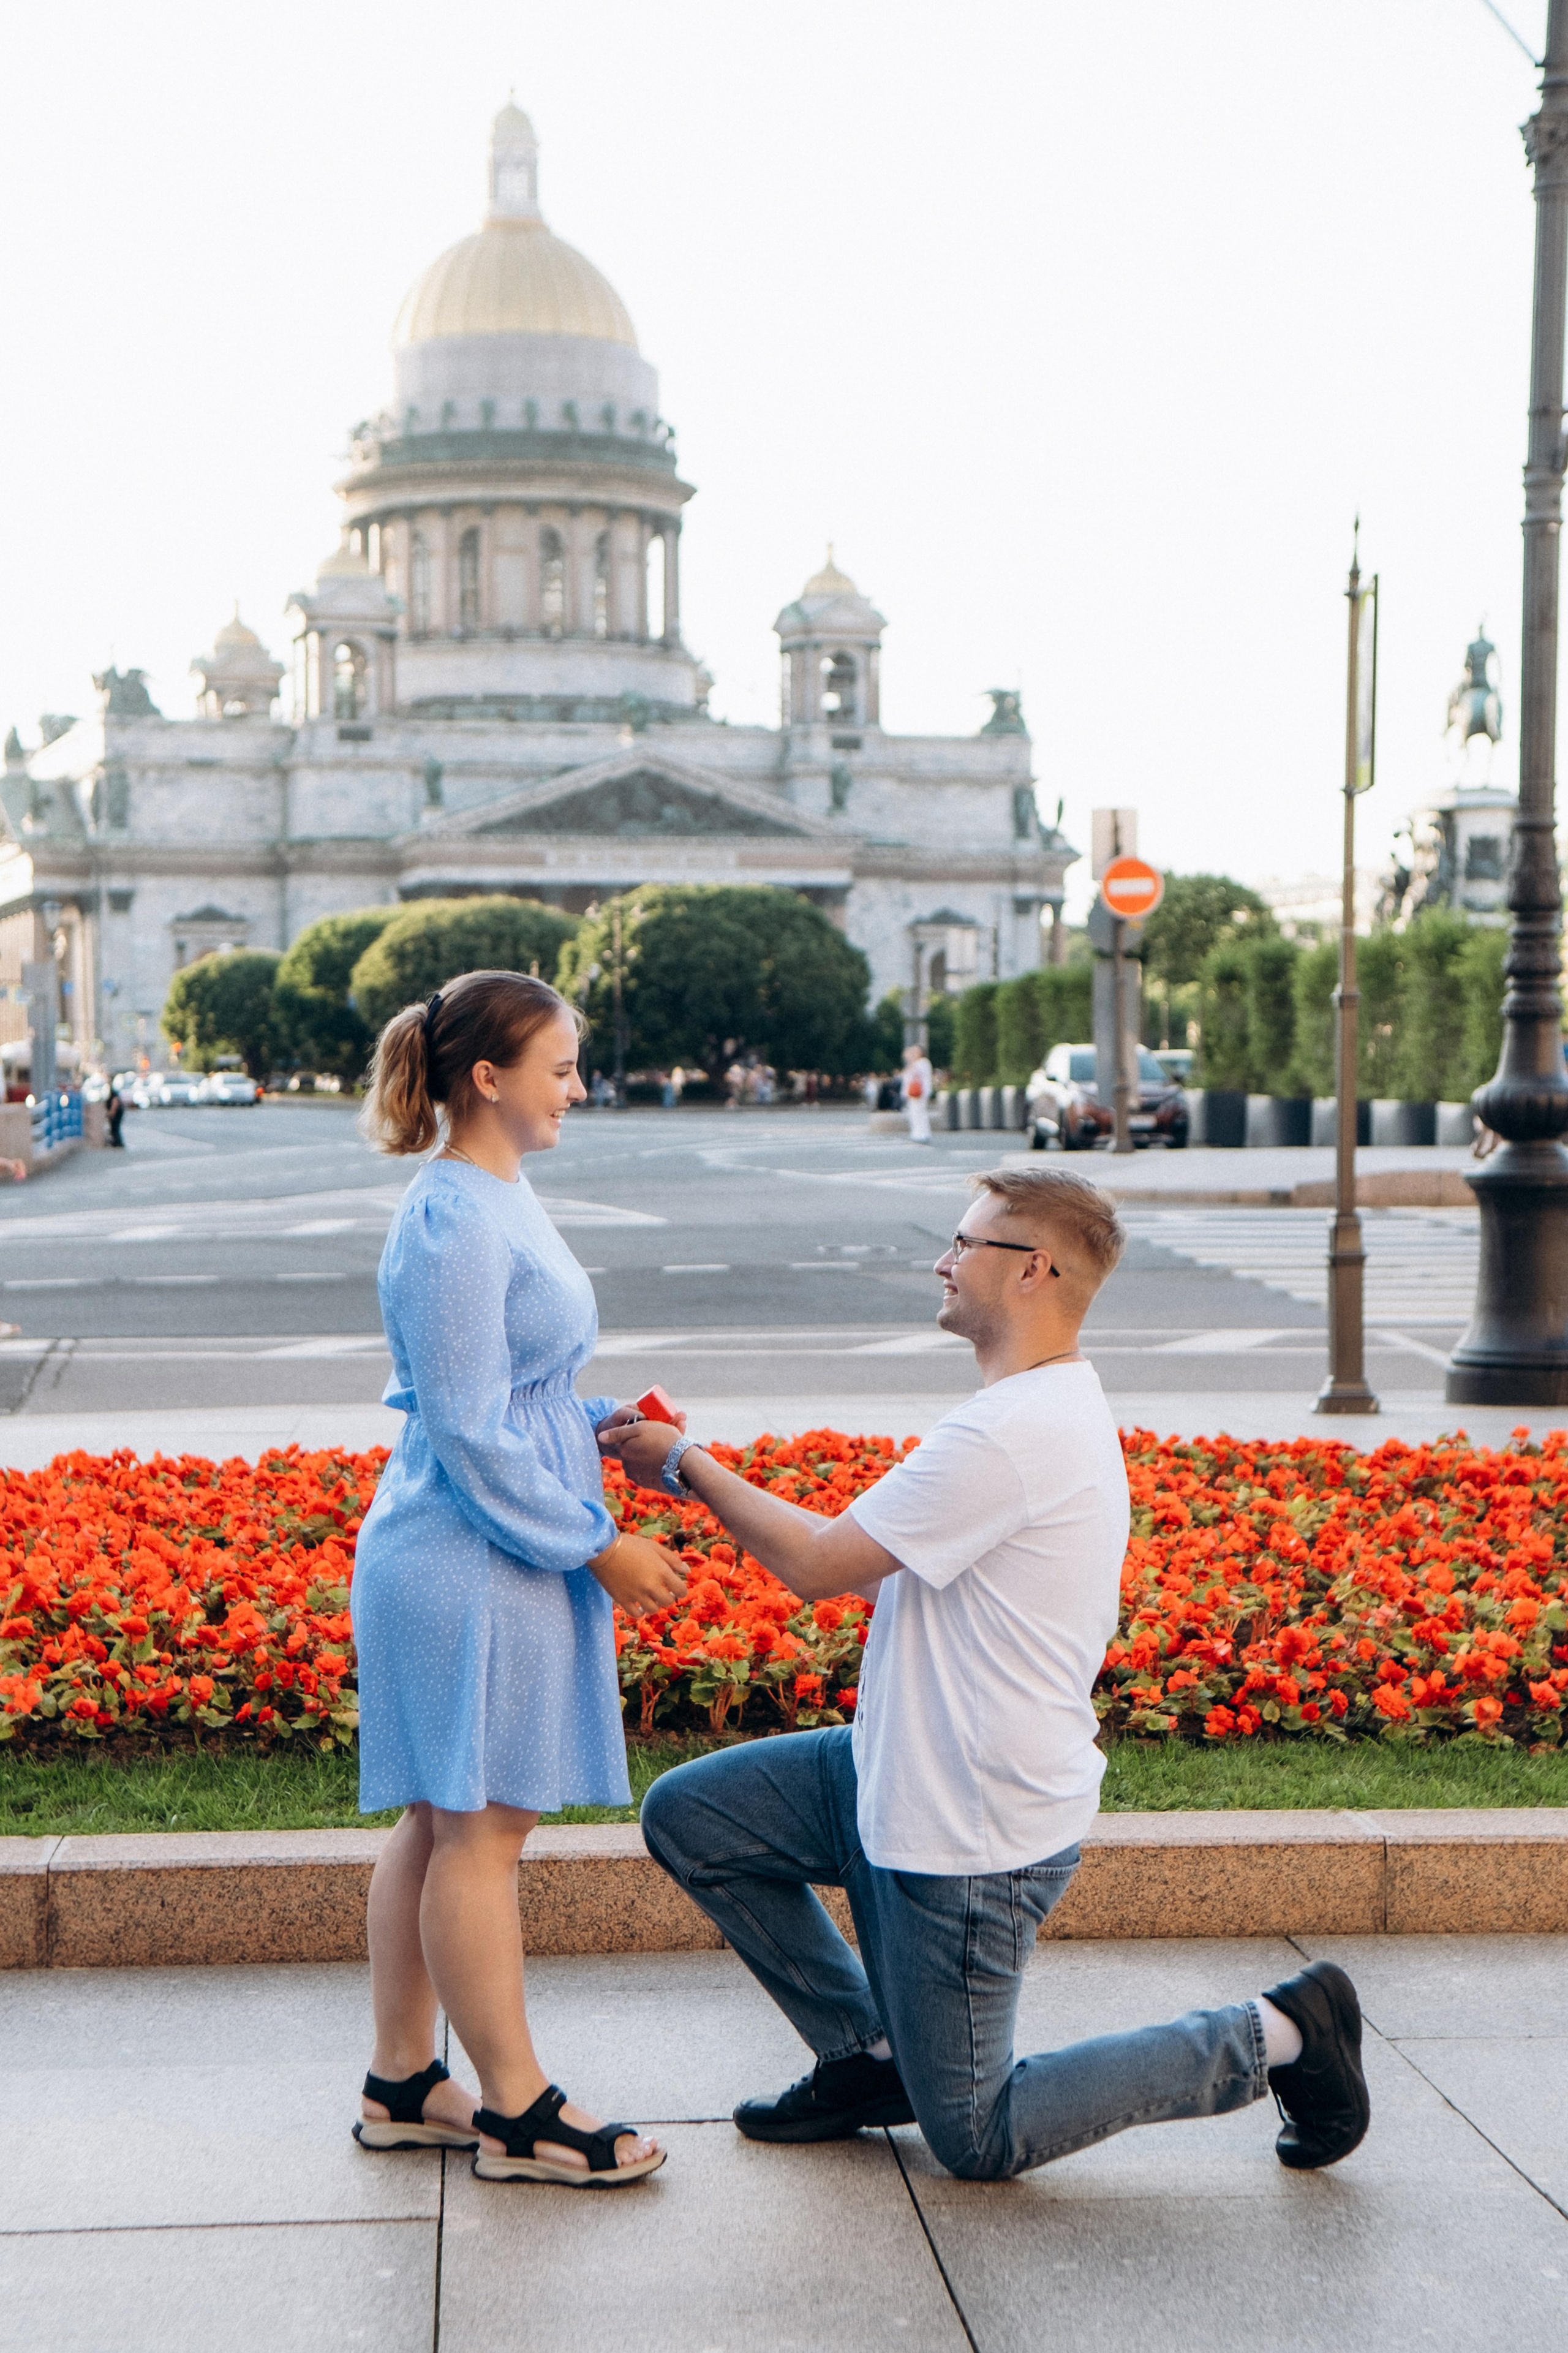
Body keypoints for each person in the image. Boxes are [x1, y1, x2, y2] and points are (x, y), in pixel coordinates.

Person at [605, 1165, 1368, 2181]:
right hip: (892, 1769)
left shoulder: (1015, 1432)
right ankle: (868, 2055)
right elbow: (895, 1579)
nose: (943, 1260)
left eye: (964, 1243)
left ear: (1033, 1271)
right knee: (694, 1816)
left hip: (967, 1830)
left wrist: (684, 1465)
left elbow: (821, 1565)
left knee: (979, 2133)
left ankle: (1281, 2031)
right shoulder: (1036, 1408)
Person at [350, 969, 690, 2189]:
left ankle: (403, 2080)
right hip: (466, 1551)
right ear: (486, 1077)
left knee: (444, 1820)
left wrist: (596, 1420)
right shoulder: (452, 1215)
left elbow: (505, 1393)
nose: (576, 1088)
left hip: (482, 1535)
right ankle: (518, 2108)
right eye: (559, 1067)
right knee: (482, 1832)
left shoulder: (494, 1193)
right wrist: (596, 1542)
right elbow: (465, 1424)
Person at [900, 1040, 933, 1143]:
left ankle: (921, 1134)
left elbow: (914, 1072)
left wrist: (910, 1059)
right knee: (916, 1113)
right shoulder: (920, 1063)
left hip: (919, 1092)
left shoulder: (923, 1062)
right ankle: (919, 1133)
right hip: (916, 1092)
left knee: (918, 1113)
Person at [105, 1081, 126, 1148]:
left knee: (115, 1128)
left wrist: (112, 1113)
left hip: (117, 1113)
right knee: (115, 1128)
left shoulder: (113, 1093)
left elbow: (115, 1102)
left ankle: (118, 1143)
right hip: (118, 1112)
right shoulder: (112, 1092)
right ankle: (117, 1142)